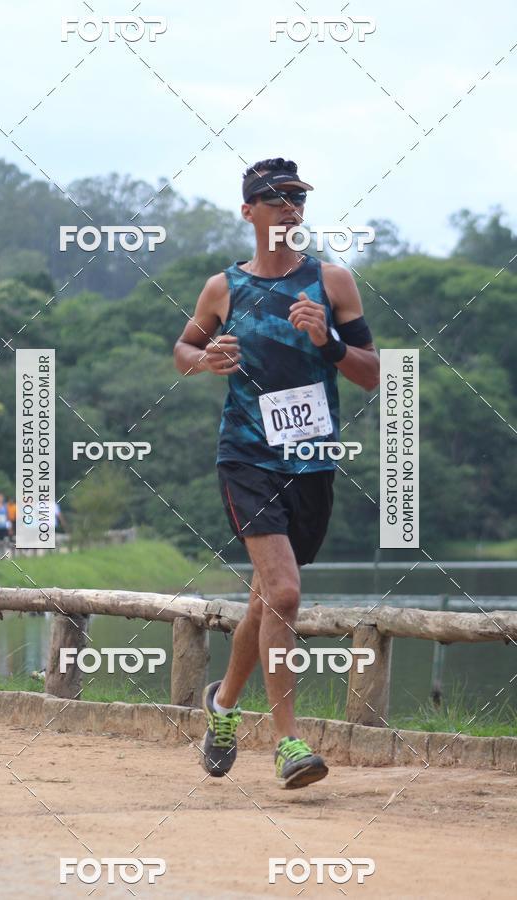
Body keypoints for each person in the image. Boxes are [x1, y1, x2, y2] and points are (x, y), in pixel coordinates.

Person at [173, 158, 379, 789]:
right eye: (276, 197)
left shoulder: (332, 282)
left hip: (313, 462)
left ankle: (224, 705)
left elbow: (375, 372)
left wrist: (331, 345)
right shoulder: (223, 288)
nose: (291, 207)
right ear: (249, 211)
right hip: (247, 458)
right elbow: (181, 351)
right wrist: (205, 358)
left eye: (298, 197)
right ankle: (289, 741)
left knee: (267, 597)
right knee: (285, 592)